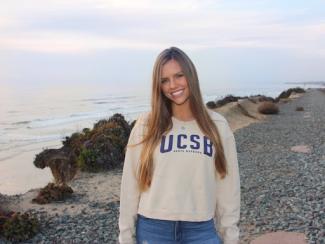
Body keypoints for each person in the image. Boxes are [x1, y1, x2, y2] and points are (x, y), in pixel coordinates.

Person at [118, 47, 240, 244]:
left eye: (179, 76)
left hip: (201, 230)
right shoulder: (147, 124)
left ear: (190, 75)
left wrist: (230, 236)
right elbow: (130, 184)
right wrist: (126, 236)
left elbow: (228, 186)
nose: (172, 85)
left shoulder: (217, 125)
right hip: (153, 230)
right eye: (164, 80)